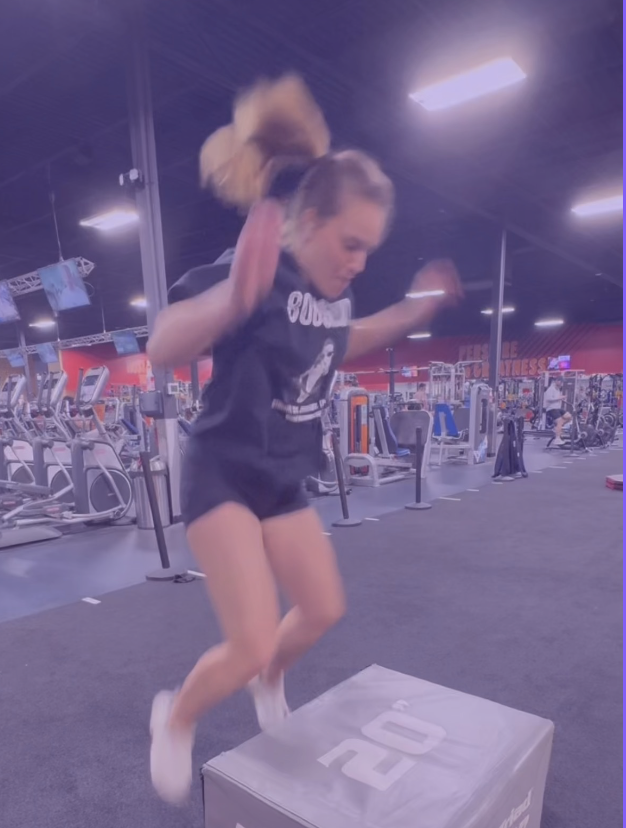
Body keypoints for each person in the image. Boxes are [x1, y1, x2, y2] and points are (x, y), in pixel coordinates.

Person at [146, 74, 462, 805]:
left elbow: (350, 337)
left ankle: (270, 677)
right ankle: (176, 715)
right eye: (351, 243)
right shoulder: (260, 265)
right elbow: (163, 345)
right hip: (222, 473)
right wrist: (237, 298)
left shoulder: (334, 293)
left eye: (368, 250)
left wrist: (414, 305)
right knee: (251, 633)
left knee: (321, 609)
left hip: (283, 478)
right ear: (310, 221)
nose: (357, 261)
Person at [544, 377, 571, 444]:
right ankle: (557, 439)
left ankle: (557, 428)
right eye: (561, 382)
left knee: (569, 417)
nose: (562, 384)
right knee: (560, 422)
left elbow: (556, 398)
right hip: (551, 408)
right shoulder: (551, 389)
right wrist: (559, 397)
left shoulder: (557, 390)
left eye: (562, 382)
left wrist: (561, 398)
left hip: (557, 408)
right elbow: (549, 399)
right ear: (557, 381)